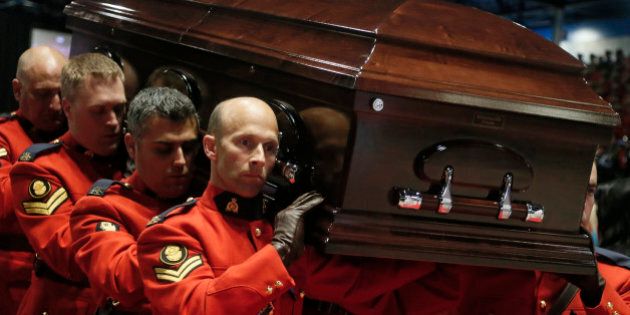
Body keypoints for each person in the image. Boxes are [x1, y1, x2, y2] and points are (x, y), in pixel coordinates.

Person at [136, 97, 459, 314]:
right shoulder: (171, 233)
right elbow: (200, 308)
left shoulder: (276, 230)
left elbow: (361, 284)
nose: (259, 159)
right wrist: (278, 252)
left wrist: (446, 245)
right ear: (211, 146)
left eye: (270, 147)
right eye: (245, 143)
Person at [10, 52, 127, 314]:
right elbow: (69, 258)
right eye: (99, 111)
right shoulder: (39, 168)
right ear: (69, 108)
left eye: (119, 109)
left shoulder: (134, 159)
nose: (113, 122)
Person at [70, 87, 201, 314]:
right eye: (163, 150)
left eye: (188, 148)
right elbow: (121, 280)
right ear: (131, 146)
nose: (181, 161)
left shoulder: (204, 203)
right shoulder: (101, 208)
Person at [0, 45, 67, 315]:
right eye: (42, 94)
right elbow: (3, 204)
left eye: (61, 93)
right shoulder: (5, 135)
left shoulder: (79, 137)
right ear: (18, 90)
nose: (55, 105)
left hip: (64, 284)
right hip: (12, 280)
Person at [535, 163, 630, 314]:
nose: (580, 206)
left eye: (589, 191)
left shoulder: (621, 280)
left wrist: (597, 293)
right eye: (566, 187)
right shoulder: (494, 264)